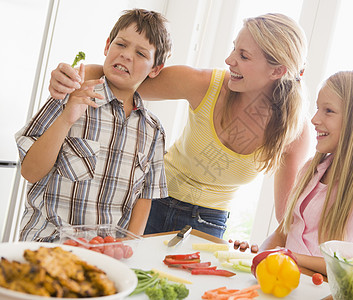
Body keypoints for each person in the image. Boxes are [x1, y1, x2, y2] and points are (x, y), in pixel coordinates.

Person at [48, 13, 311, 238]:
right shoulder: (206, 85)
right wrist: (68, 76)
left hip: (208, 224)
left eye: (243, 55)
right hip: (151, 203)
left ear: (276, 71)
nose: (229, 59)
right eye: (234, 48)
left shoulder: (293, 130)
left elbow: (286, 216)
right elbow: (124, 79)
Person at [15, 9, 172, 241]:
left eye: (140, 53)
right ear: (107, 46)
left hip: (105, 255)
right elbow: (30, 172)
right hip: (49, 246)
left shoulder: (153, 130)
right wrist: (67, 117)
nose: (126, 55)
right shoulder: (70, 94)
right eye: (121, 44)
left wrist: (130, 247)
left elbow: (145, 197)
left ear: (155, 69)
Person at [251, 70, 353, 274]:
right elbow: (282, 234)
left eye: (328, 111)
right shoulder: (311, 170)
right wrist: (261, 258)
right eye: (317, 109)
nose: (314, 119)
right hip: (284, 284)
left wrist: (290, 258)